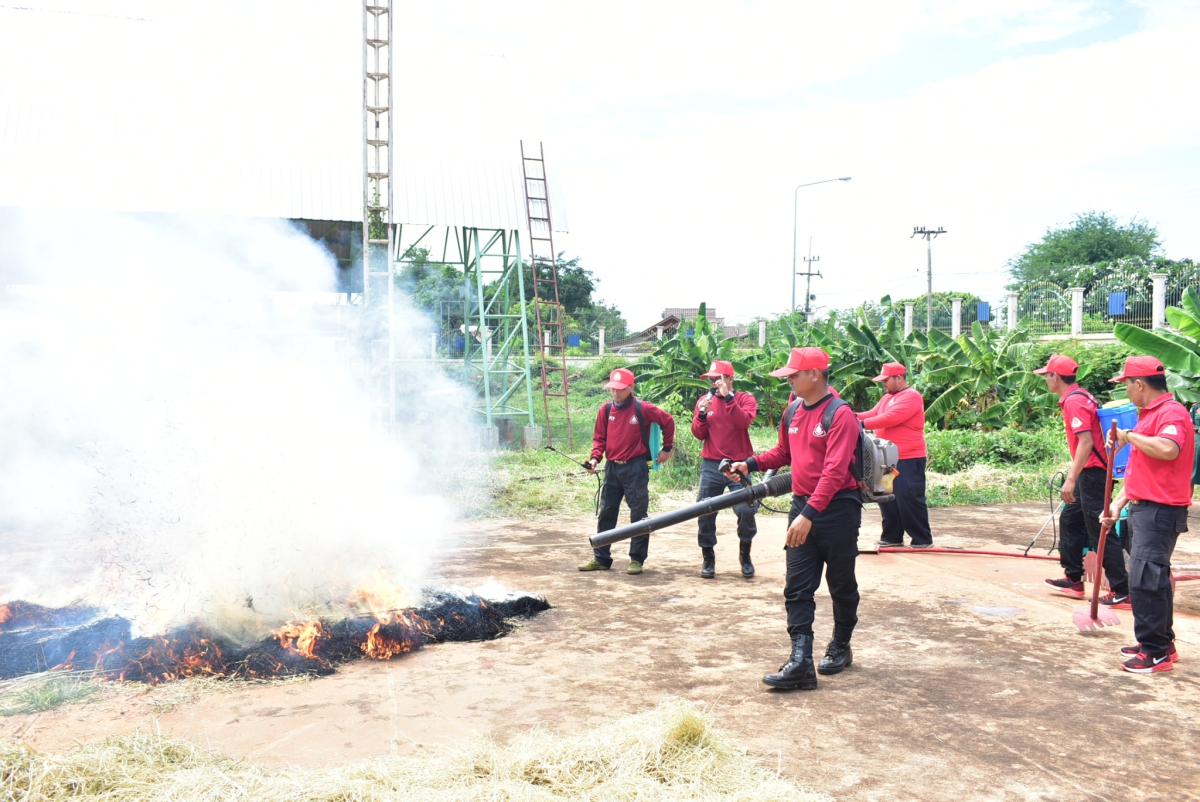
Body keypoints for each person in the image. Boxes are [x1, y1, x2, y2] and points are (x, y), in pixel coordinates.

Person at [728, 347, 862, 690]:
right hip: (803, 506)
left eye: (794, 374)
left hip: (836, 509)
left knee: (841, 584)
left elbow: (833, 473)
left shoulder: (840, 414)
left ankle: (841, 645)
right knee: (797, 587)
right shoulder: (793, 412)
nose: (789, 379)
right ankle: (801, 660)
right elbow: (784, 453)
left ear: (815, 374)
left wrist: (809, 516)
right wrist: (750, 464)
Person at [1100, 356, 1193, 674]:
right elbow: (1144, 469)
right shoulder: (1148, 415)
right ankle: (1160, 643)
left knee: (1145, 581)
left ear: (1139, 384)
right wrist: (1118, 503)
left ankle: (1155, 652)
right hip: (1146, 508)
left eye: (1126, 384)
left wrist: (1129, 437)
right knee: (1154, 580)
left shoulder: (1171, 414)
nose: (1125, 391)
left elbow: (1168, 449)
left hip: (1160, 511)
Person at [1036, 355, 1131, 607]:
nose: (1046, 379)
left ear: (1055, 377)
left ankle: (1122, 590)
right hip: (1091, 473)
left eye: (1047, 375)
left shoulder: (1074, 402)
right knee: (1070, 519)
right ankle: (1073, 579)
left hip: (1093, 475)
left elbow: (1086, 443)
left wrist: (1071, 479)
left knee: (1099, 527)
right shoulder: (1080, 396)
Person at [578, 367, 676, 575]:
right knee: (607, 512)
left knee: (639, 514)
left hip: (636, 467)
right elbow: (599, 439)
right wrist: (595, 458)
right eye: (613, 389)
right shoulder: (605, 410)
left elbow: (668, 421)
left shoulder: (643, 408)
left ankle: (637, 559)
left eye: (620, 389)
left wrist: (667, 449)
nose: (615, 393)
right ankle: (601, 558)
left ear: (632, 387)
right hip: (612, 468)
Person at [691, 360, 759, 578]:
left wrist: (728, 397)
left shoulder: (744, 399)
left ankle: (745, 553)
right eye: (711, 380)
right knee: (705, 512)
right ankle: (708, 558)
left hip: (739, 465)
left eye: (717, 379)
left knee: (746, 510)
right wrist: (702, 415)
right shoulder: (704, 401)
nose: (713, 384)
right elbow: (698, 434)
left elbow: (743, 422)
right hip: (711, 465)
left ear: (730, 379)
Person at [857, 362, 932, 549]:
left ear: (899, 378)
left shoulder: (911, 397)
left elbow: (891, 418)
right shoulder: (886, 398)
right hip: (886, 459)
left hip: (907, 458)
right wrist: (848, 415)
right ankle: (892, 536)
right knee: (886, 496)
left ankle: (922, 539)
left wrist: (861, 424)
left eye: (886, 380)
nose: (883, 384)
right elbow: (872, 413)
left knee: (909, 497)